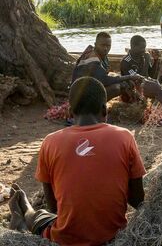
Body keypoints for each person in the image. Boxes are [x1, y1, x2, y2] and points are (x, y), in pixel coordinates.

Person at [8, 76, 146, 245]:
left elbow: (54, 207)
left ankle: (24, 208)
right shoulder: (125, 137)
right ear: (105, 110)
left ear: (71, 112)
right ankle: (23, 204)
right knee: (45, 217)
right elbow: (138, 200)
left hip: (65, 238)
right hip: (113, 238)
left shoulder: (50, 142)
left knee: (42, 216)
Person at [72, 32, 141, 101]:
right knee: (117, 88)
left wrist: (125, 79)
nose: (105, 48)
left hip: (89, 88)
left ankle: (131, 101)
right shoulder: (92, 59)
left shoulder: (101, 55)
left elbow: (104, 76)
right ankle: (96, 107)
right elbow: (105, 80)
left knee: (124, 82)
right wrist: (129, 77)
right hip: (81, 97)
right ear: (95, 44)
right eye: (102, 45)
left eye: (108, 46)